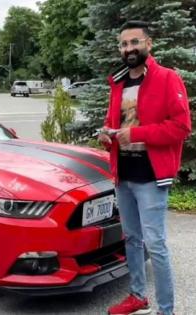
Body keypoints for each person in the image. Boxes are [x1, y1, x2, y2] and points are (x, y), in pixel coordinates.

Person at [98, 20, 192, 315]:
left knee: (156, 244)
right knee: (132, 240)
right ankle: (138, 296)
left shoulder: (167, 78)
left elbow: (181, 127)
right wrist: (107, 136)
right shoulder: (119, 83)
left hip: (151, 177)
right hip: (123, 175)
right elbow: (116, 125)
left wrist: (136, 134)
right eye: (124, 44)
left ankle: (167, 310)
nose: (129, 49)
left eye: (135, 42)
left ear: (148, 44)